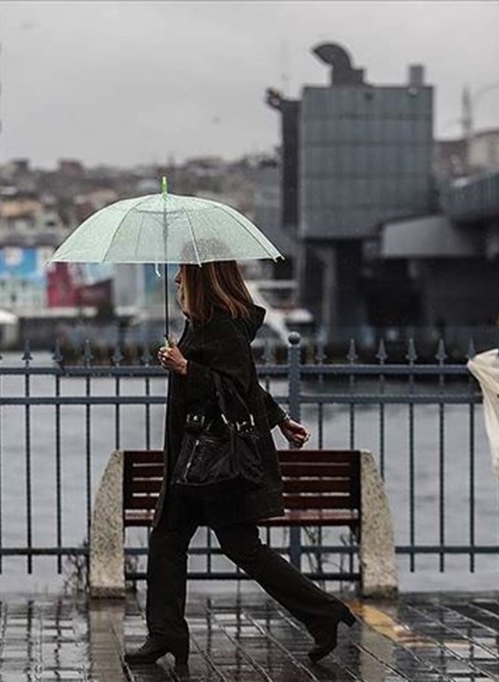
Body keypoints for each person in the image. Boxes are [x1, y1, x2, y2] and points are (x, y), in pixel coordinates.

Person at [124, 260, 356, 667]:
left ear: (203, 278)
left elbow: (232, 389)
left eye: (183, 272)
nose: (177, 279)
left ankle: (322, 612)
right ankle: (165, 634)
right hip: (193, 461)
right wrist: (281, 420)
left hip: (214, 461)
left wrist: (186, 368)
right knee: (166, 539)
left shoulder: (223, 328)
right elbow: (247, 385)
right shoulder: (202, 324)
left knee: (240, 548)